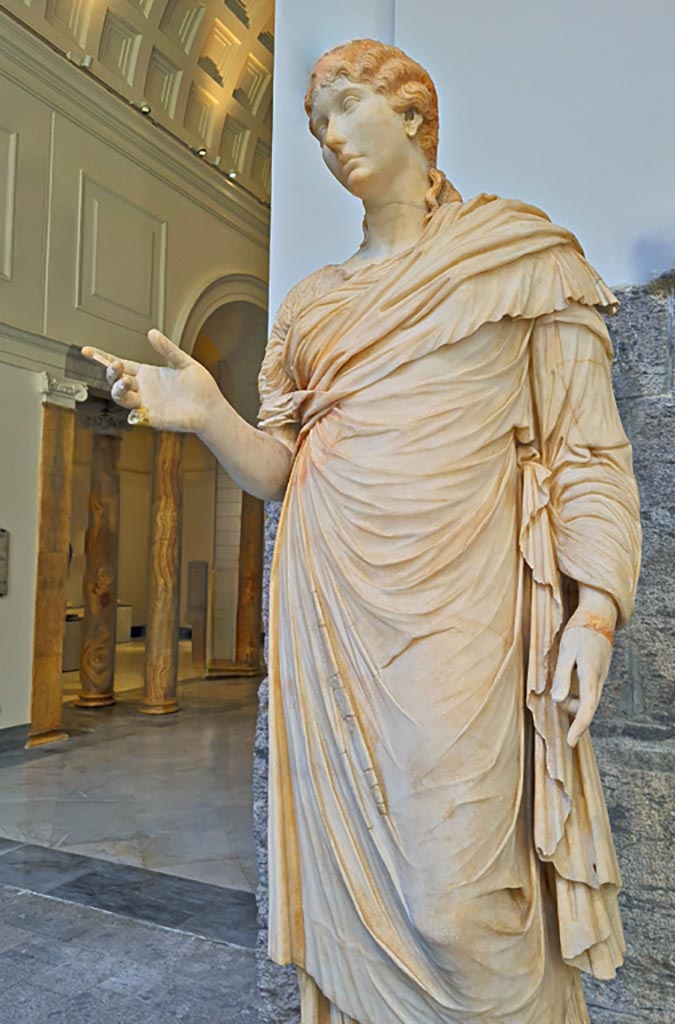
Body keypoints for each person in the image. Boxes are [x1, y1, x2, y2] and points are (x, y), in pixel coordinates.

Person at [85, 38, 641, 1024]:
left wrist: (594, 608)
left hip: (463, 609)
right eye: (314, 126)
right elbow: (278, 469)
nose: (329, 138)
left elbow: (588, 447)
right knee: (370, 888)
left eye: (343, 109)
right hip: (331, 604)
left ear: (416, 118)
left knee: (459, 898)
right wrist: (208, 410)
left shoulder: (522, 261)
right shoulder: (312, 306)